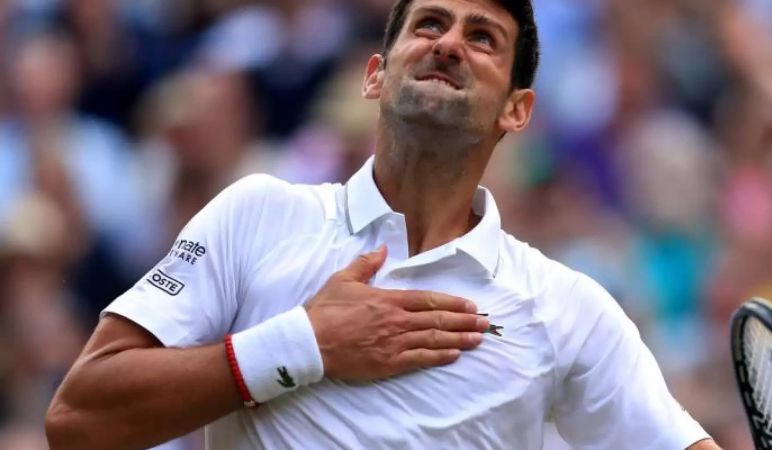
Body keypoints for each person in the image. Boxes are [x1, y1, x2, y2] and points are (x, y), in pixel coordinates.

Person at [45, 0, 720, 448]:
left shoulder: (568, 308)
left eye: (482, 37)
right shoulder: (258, 213)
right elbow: (78, 418)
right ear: (376, 76)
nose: (450, 43)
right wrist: (303, 345)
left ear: (517, 111)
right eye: (429, 24)